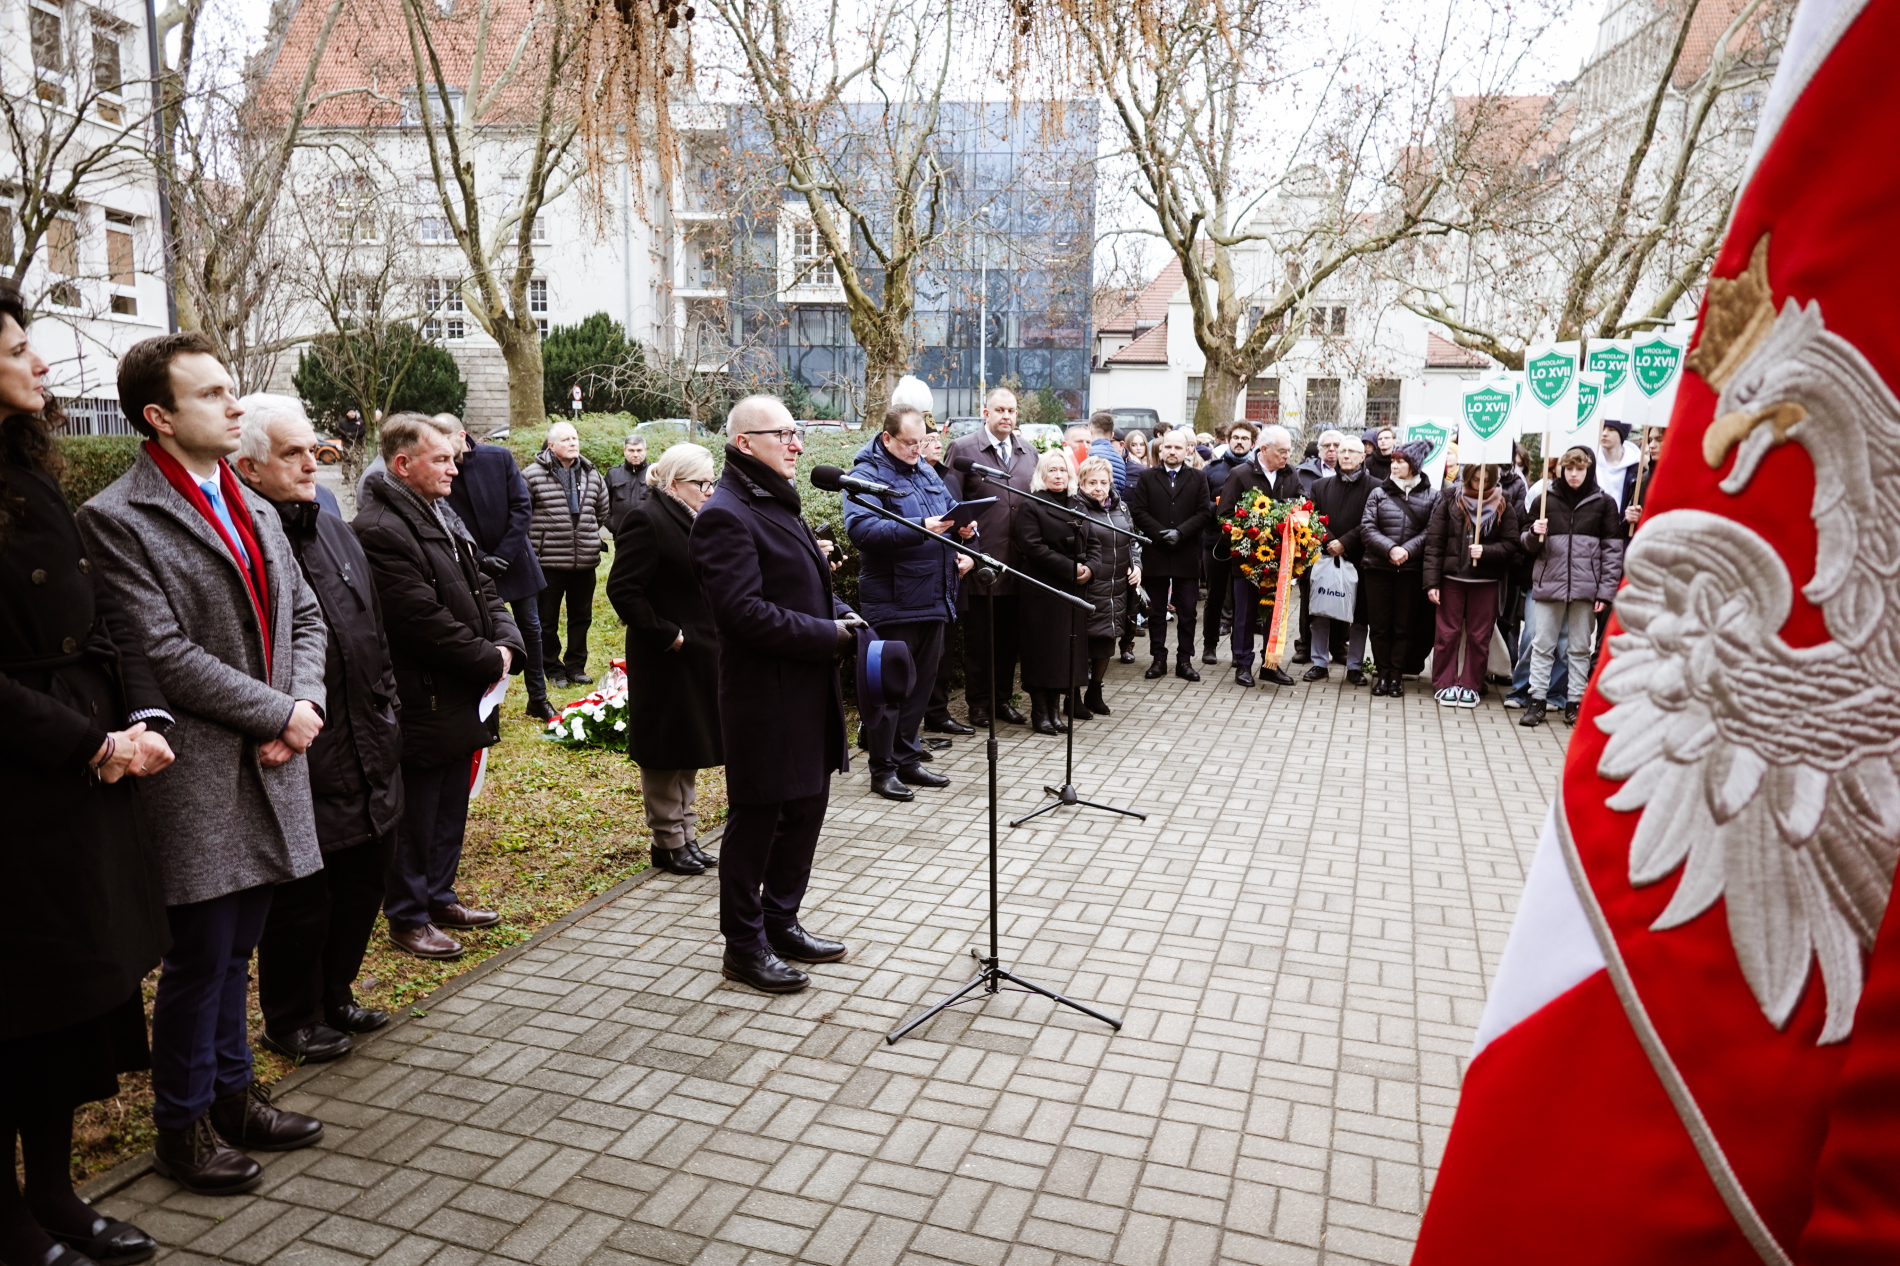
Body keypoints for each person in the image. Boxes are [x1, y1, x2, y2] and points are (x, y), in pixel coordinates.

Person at [79, 332, 328, 1194]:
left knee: (239, 945)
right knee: (200, 954)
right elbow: (161, 651)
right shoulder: (118, 517)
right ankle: (180, 1127)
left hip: (271, 754)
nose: (234, 405)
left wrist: (305, 710)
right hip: (198, 772)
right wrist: (280, 713)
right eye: (213, 393)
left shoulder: (251, 501)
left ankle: (233, 1095)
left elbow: (306, 616)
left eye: (232, 390)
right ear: (158, 415)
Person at [0, 289, 175, 1263]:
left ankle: (57, 1197)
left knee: (64, 1008)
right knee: (14, 1012)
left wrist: (139, 714)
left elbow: (99, 612)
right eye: (21, 349)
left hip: (74, 785)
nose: (42, 365)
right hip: (21, 786)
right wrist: (87, 743)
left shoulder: (27, 469)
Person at [232, 396, 403, 1063]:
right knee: (304, 898)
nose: (314, 462)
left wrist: (386, 712)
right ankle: (291, 1016)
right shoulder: (248, 538)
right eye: (294, 453)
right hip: (303, 747)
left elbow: (370, 630)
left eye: (317, 448)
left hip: (368, 742)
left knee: (364, 883)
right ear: (248, 466)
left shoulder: (332, 526)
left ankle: (336, 993)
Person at [692, 396, 859, 994]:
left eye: (797, 433)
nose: (797, 444)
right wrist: (827, 635)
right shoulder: (726, 514)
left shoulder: (776, 501)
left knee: (806, 810)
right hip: (764, 697)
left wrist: (843, 614)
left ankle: (780, 920)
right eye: (784, 434)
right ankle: (742, 946)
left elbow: (801, 587)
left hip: (807, 688)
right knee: (758, 820)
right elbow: (740, 613)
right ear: (744, 442)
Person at [355, 413, 524, 961]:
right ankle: (407, 915)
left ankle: (439, 895)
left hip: (460, 692)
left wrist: (506, 645)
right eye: (443, 459)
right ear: (403, 465)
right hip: (422, 694)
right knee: (418, 809)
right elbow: (419, 620)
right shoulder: (380, 529)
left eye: (454, 457)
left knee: (452, 801)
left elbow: (482, 587)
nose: (456, 466)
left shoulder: (439, 511)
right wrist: (486, 659)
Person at [844, 405, 973, 802]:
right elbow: (861, 530)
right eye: (910, 443)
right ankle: (882, 769)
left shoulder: (924, 470)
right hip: (894, 599)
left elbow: (945, 514)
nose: (919, 449)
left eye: (923, 442)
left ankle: (907, 757)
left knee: (920, 687)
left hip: (935, 594)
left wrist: (963, 531)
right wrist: (920, 529)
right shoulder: (864, 475)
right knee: (889, 689)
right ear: (887, 438)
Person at [606, 443, 723, 875]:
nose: (709, 491)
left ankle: (686, 834)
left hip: (695, 653)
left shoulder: (694, 517)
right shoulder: (648, 518)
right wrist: (668, 635)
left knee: (688, 743)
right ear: (674, 483)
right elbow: (622, 590)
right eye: (701, 483)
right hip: (664, 657)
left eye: (713, 482)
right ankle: (667, 839)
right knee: (664, 749)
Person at [446, 423, 552, 720]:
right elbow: (447, 519)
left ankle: (538, 697)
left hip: (514, 559)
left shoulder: (499, 457)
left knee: (531, 628)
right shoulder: (441, 470)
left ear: (461, 435)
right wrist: (479, 558)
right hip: (473, 564)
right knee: (484, 633)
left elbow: (522, 506)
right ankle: (487, 707)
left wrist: (503, 554)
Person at [942, 388, 1035, 727]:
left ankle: (1001, 700)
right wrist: (966, 551)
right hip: (979, 564)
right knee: (980, 641)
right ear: (986, 412)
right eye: (999, 410)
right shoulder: (964, 449)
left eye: (1011, 410)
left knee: (1008, 642)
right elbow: (949, 504)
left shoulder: (1028, 452)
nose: (1006, 416)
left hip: (1017, 564)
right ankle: (978, 703)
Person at [1517, 447, 1624, 728]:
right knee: (1542, 645)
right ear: (1561, 469)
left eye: (1580, 469)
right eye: (1569, 469)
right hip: (1549, 584)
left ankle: (1575, 703)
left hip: (1586, 589)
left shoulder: (1604, 504)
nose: (1574, 474)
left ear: (1588, 470)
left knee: (1578, 648)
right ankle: (1536, 700)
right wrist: (1533, 534)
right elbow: (1525, 544)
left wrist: (1605, 591)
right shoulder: (1544, 501)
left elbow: (1612, 552)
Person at [1423, 462, 1522, 707]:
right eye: (1475, 479)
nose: (1479, 484)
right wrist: (1432, 582)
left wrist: (1486, 551)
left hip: (1485, 581)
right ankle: (1444, 683)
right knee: (1447, 633)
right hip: (1451, 579)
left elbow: (1511, 544)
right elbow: (1435, 543)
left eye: (1485, 479)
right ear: (1467, 477)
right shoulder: (1449, 498)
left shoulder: (1503, 503)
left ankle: (1471, 685)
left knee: (1479, 636)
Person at [1013, 450, 1097, 734]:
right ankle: (1040, 711)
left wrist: (1091, 570)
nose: (1058, 475)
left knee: (1066, 653)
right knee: (1042, 653)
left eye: (1062, 470)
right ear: (1041, 474)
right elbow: (1032, 547)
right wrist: (1070, 568)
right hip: (1042, 589)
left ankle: (1054, 710)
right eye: (1052, 470)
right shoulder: (1031, 505)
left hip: (1073, 591)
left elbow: (1095, 543)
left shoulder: (1078, 506)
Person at [525, 421, 611, 688]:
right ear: (551, 446)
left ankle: (576, 666)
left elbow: (601, 510)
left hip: (584, 559)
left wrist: (582, 534)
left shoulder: (591, 473)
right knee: (546, 620)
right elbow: (522, 515)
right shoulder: (531, 475)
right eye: (566, 440)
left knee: (581, 617)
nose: (573, 443)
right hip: (548, 561)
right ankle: (552, 668)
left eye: (575, 438)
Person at [1216, 424, 1301, 687]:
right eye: (1282, 451)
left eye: (1289, 451)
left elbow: (1301, 504)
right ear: (1264, 449)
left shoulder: (1291, 474)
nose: (1287, 456)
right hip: (1247, 561)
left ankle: (1270, 664)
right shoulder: (1240, 474)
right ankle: (1243, 665)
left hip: (1279, 561)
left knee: (1275, 615)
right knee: (1245, 614)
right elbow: (1225, 515)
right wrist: (1254, 532)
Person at [1126, 428, 1209, 682]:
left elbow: (1204, 512)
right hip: (1157, 553)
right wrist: (1161, 533)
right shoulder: (1148, 477)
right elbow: (1139, 511)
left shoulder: (1197, 478)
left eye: (1177, 447)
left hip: (1186, 554)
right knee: (1156, 611)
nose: (1172, 451)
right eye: (1167, 447)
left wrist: (1181, 533)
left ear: (1187, 450)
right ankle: (1158, 658)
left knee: (1187, 612)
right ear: (1161, 450)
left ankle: (1184, 660)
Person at [1360, 441, 1435, 698]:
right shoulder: (1378, 493)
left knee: (1404, 626)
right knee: (1379, 625)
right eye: (1393, 461)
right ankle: (1382, 674)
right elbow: (1367, 528)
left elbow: (1431, 532)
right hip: (1378, 568)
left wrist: (1407, 550)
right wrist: (1391, 548)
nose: (1394, 465)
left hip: (1411, 571)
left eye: (1401, 461)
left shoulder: (1432, 496)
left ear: (1414, 465)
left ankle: (1396, 676)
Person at [1074, 456, 1141, 717]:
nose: (1098, 488)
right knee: (1083, 643)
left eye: (1103, 482)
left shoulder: (1120, 507)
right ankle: (1074, 696)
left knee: (1106, 641)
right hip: (1091, 585)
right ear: (1081, 483)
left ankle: (1095, 691)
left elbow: (1132, 541)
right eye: (1092, 482)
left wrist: (1137, 566)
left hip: (1117, 588)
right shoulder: (1077, 508)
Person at [1307, 434, 1374, 684]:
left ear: (1362, 457)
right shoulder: (1320, 486)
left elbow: (1371, 522)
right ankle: (1319, 663)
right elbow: (1312, 517)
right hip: (1326, 559)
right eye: (1342, 450)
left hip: (1360, 559)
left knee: (1359, 616)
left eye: (1351, 451)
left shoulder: (1376, 487)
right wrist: (1330, 541)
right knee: (1320, 612)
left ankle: (1355, 666)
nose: (1345, 455)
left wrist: (1346, 542)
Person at [1199, 420, 1255, 664]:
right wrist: (1222, 507)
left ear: (1253, 443)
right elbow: (1200, 505)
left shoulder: (1257, 471)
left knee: (1242, 600)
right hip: (1216, 542)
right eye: (1236, 438)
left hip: (1248, 546)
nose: (1239, 442)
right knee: (1214, 597)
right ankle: (1209, 646)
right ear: (1228, 440)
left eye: (1245, 438)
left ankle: (1238, 651)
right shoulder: (1212, 470)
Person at [605, 432, 650, 532]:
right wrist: (612, 525)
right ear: (624, 451)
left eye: (639, 450)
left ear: (645, 451)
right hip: (620, 533)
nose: (635, 454)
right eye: (631, 450)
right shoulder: (613, 474)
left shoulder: (654, 473)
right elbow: (603, 503)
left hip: (648, 533)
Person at [1597, 420, 1640, 510]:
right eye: (1602, 428)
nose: (1604, 433)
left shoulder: (1637, 469)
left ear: (1621, 434)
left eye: (1611, 429)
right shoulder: (1589, 463)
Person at [1086, 410, 1130, 498]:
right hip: (1112, 508)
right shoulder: (1120, 460)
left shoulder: (1089, 453)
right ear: (1112, 435)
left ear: (1090, 430)